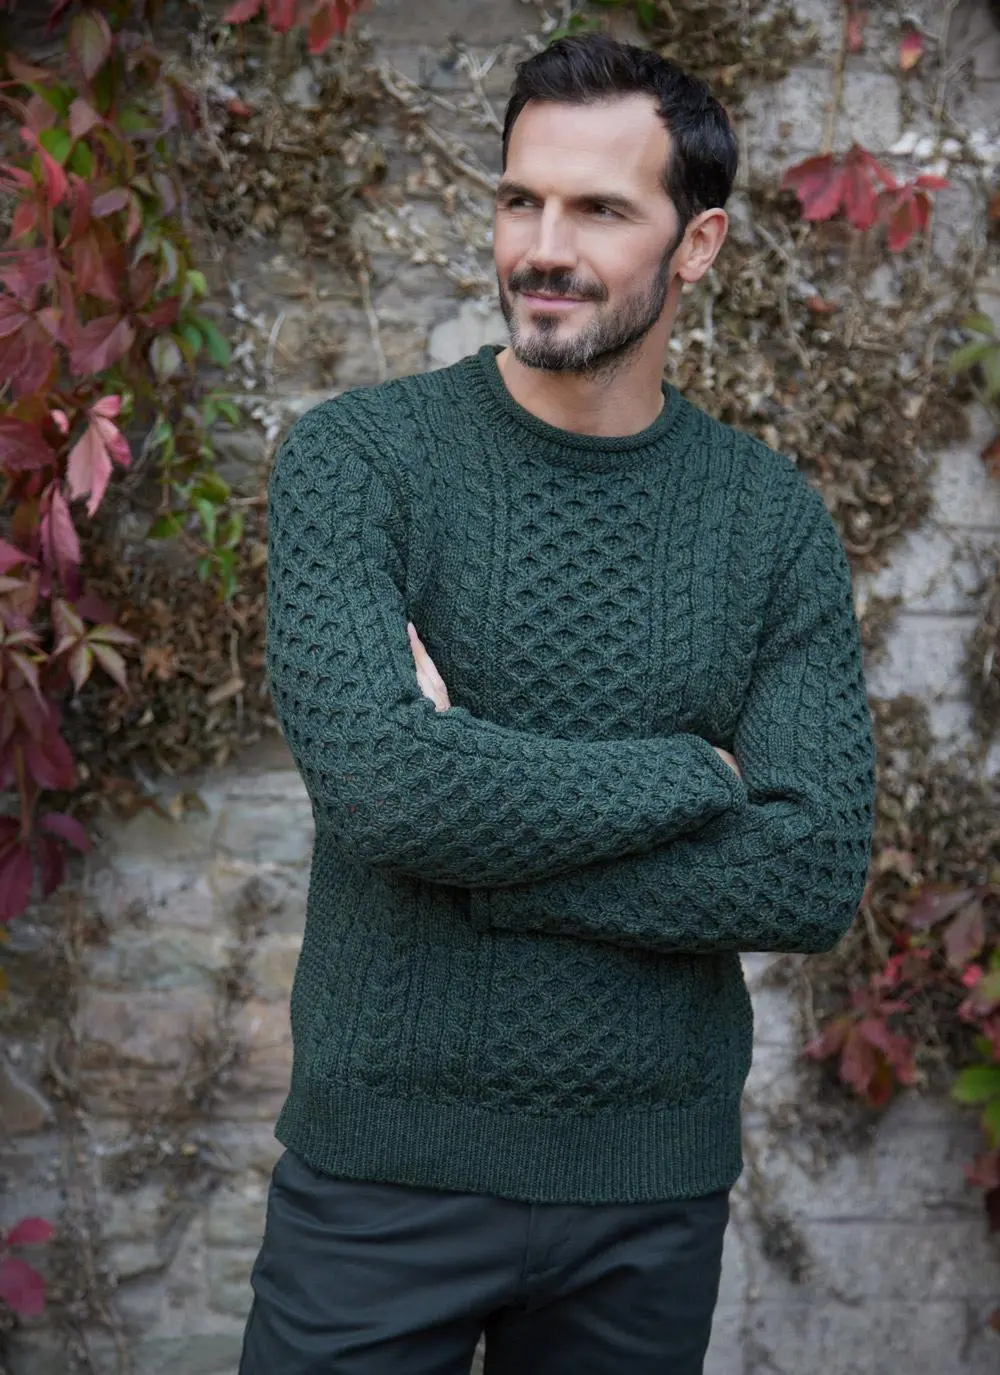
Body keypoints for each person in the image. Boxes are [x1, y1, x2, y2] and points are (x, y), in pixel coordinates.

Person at [240, 32, 876, 1375]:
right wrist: (695, 775)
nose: (542, 247)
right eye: (519, 199)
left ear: (697, 245)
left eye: (599, 210)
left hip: (646, 1192)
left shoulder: (770, 523)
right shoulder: (360, 462)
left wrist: (480, 836)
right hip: (380, 1178)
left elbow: (809, 871)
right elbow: (385, 789)